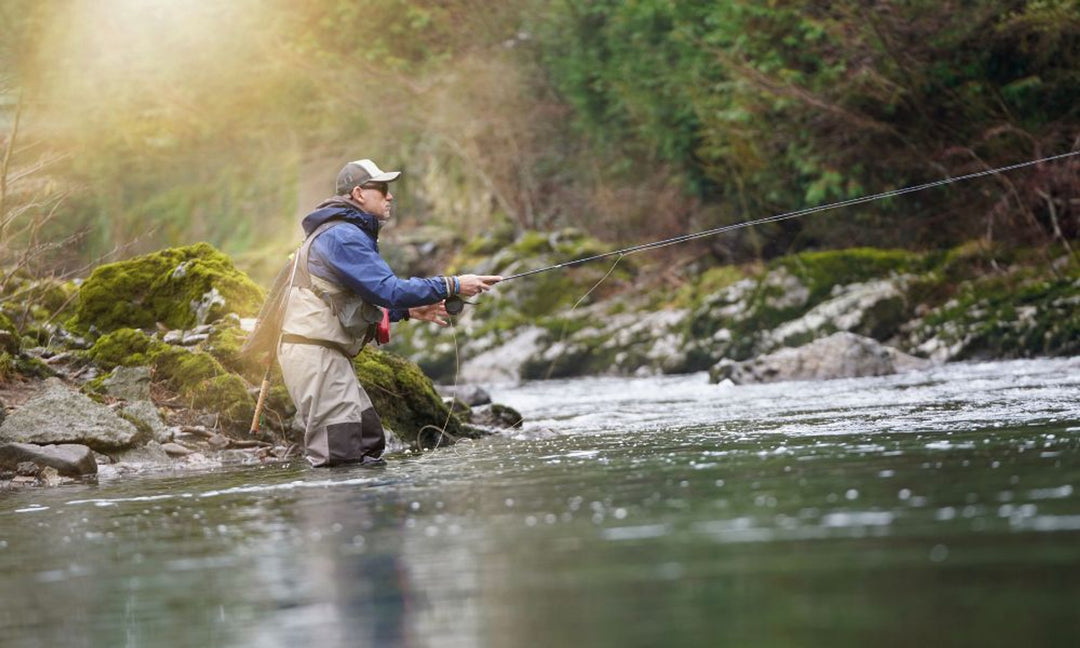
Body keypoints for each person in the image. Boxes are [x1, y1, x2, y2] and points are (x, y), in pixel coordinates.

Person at [277, 158, 501, 467]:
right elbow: (388, 289)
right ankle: (335, 514)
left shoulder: (344, 233)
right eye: (382, 189)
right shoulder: (342, 236)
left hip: (326, 354)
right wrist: (452, 284)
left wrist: (408, 311)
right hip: (314, 355)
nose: (390, 196)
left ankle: (362, 512)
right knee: (338, 453)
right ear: (358, 193)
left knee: (369, 438)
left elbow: (350, 301)